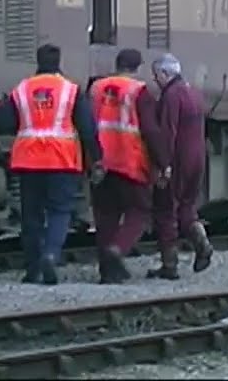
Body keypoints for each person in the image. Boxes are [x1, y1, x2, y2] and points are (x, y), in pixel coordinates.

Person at [0, 43, 105, 285]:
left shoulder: (22, 89)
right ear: (58, 62)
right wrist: (97, 158)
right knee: (59, 211)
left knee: (31, 215)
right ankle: (51, 254)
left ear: (38, 61)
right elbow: (87, 129)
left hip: (28, 161)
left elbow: (3, 123)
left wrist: (1, 107)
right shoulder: (71, 90)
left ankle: (32, 269)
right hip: (61, 161)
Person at [88, 48, 162, 284]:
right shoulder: (139, 91)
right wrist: (162, 161)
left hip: (101, 162)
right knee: (140, 211)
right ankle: (117, 249)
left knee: (105, 216)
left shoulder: (96, 88)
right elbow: (151, 131)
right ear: (138, 67)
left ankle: (107, 272)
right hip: (130, 161)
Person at [147, 53, 214, 280]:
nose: (155, 80)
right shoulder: (193, 93)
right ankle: (202, 244)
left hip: (177, 160)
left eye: (156, 75)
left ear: (165, 73)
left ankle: (170, 265)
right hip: (197, 158)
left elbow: (168, 133)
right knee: (187, 206)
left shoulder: (171, 96)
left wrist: (163, 164)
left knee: (165, 210)